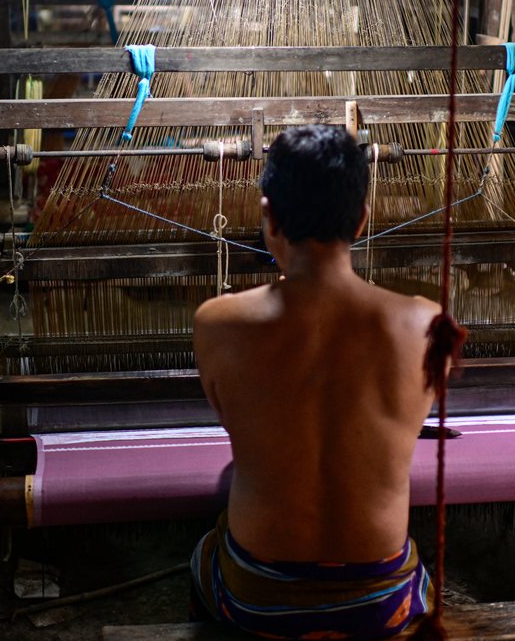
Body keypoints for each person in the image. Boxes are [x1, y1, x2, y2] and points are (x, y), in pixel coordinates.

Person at [190, 124, 452, 639]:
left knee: (202, 554)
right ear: (361, 218)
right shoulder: (426, 325)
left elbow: (237, 426)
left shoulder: (217, 324)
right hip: (380, 602)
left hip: (259, 597)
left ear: (268, 216)